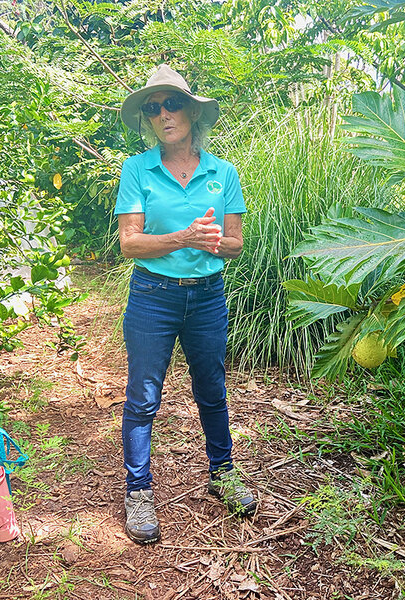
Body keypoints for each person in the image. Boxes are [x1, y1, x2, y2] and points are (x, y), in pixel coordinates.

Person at [114, 65, 256, 545]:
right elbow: (130, 244)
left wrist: (216, 244)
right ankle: (138, 492)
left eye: (171, 103)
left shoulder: (224, 173)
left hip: (208, 297)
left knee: (212, 389)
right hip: (153, 296)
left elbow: (236, 244)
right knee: (143, 397)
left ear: (193, 111)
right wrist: (182, 237)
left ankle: (224, 475)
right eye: (152, 108)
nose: (162, 114)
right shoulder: (137, 170)